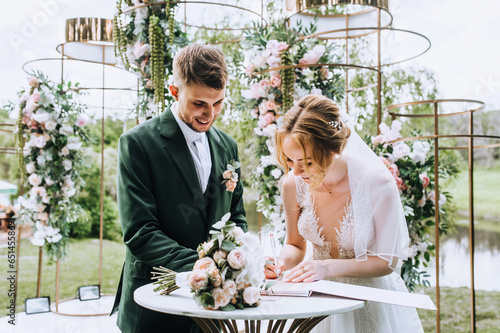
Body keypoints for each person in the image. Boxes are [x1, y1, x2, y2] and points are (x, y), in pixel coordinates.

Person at [111, 44, 247, 333]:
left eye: (218, 103)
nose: (210, 115)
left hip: (212, 308)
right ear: (174, 91)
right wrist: (207, 265)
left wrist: (237, 259)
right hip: (155, 298)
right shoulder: (137, 143)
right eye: (199, 104)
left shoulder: (228, 146)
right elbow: (140, 232)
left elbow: (236, 215)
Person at [264, 95, 424, 332]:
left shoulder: (377, 183)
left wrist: (326, 267)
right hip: (313, 298)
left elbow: (387, 261)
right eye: (290, 160)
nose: (296, 171)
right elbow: (295, 246)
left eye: (307, 162)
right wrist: (280, 262)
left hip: (367, 300)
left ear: (332, 149)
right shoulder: (292, 184)